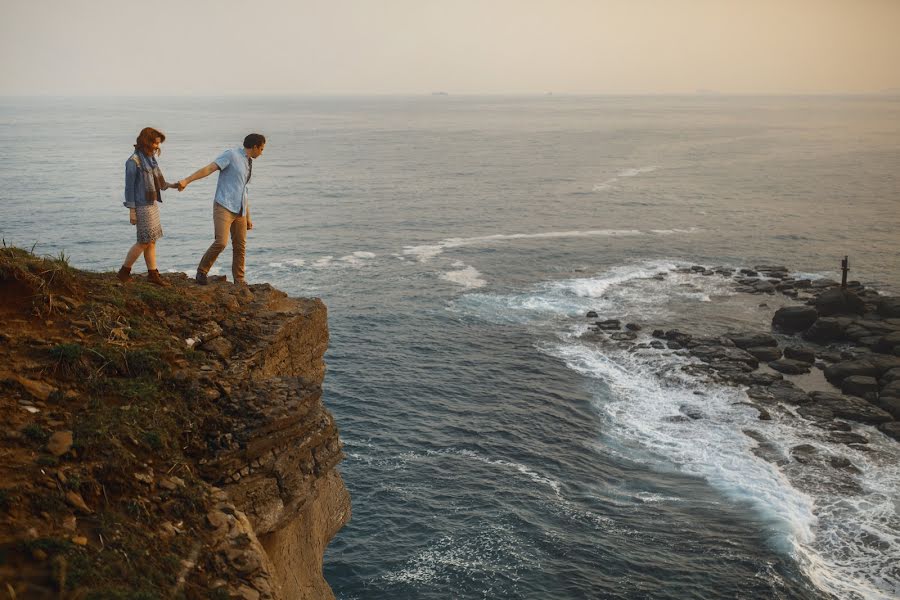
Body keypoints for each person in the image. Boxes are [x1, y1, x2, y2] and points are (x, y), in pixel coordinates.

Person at [178, 134, 266, 285]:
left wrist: (248, 217)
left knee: (240, 246)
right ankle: (202, 271)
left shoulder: (249, 163)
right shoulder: (231, 155)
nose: (262, 153)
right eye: (262, 149)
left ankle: (239, 280)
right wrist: (187, 180)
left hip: (240, 211)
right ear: (255, 146)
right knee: (221, 242)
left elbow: (244, 191)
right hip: (224, 205)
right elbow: (209, 169)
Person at [118, 127, 181, 286]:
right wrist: (132, 211)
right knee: (144, 241)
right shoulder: (133, 161)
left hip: (151, 203)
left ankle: (153, 274)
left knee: (151, 241)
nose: (157, 147)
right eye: (155, 143)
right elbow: (129, 188)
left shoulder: (150, 159)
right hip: (141, 206)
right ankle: (124, 272)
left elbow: (158, 181)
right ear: (147, 142)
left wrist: (173, 185)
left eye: (158, 144)